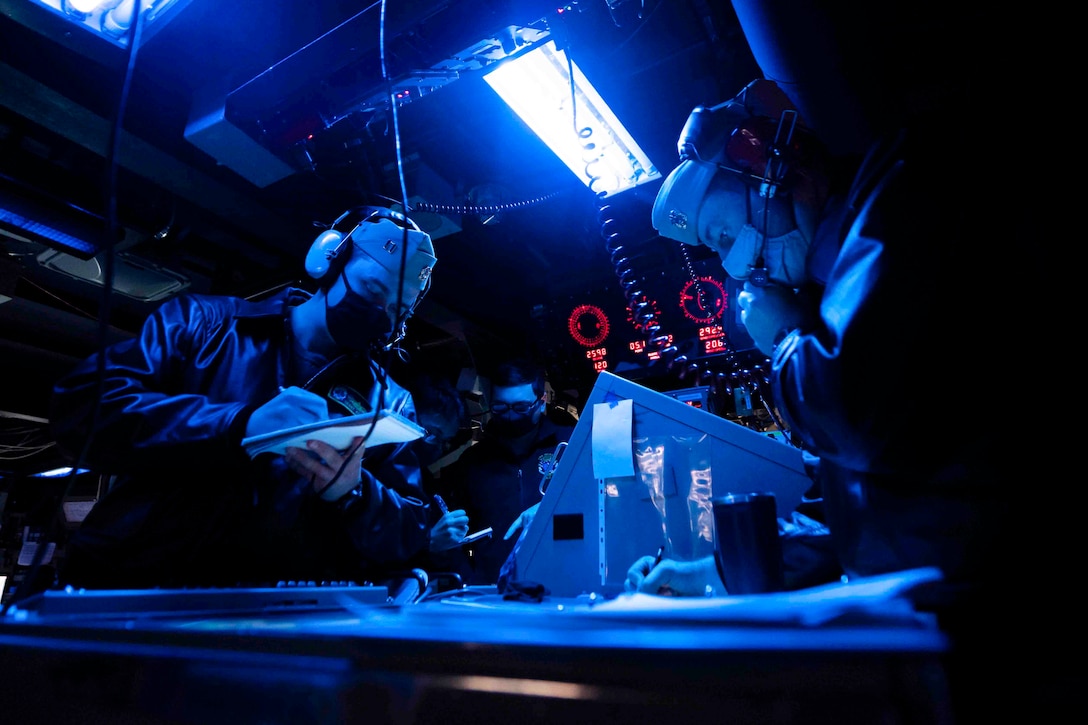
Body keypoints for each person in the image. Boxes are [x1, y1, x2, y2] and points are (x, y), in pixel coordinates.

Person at [628, 2, 1056, 718]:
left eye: (729, 231)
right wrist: (720, 572)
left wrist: (787, 339)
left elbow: (855, 409)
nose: (740, 265)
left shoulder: (899, 194)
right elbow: (855, 495)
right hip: (938, 628)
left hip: (1002, 629)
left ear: (767, 165)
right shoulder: (838, 273)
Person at [49, 206, 440, 590]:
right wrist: (238, 424)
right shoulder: (203, 324)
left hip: (271, 617)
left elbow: (411, 534)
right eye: (373, 289)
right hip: (130, 588)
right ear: (328, 259)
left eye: (397, 310)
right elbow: (84, 406)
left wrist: (355, 493)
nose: (381, 315)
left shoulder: (389, 402)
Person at [433, 357, 576, 587]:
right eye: (501, 407)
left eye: (520, 407)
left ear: (542, 402)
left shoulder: (571, 445)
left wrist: (553, 509)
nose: (510, 416)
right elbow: (455, 537)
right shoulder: (472, 462)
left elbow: (603, 504)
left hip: (565, 582)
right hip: (495, 592)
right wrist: (471, 582)